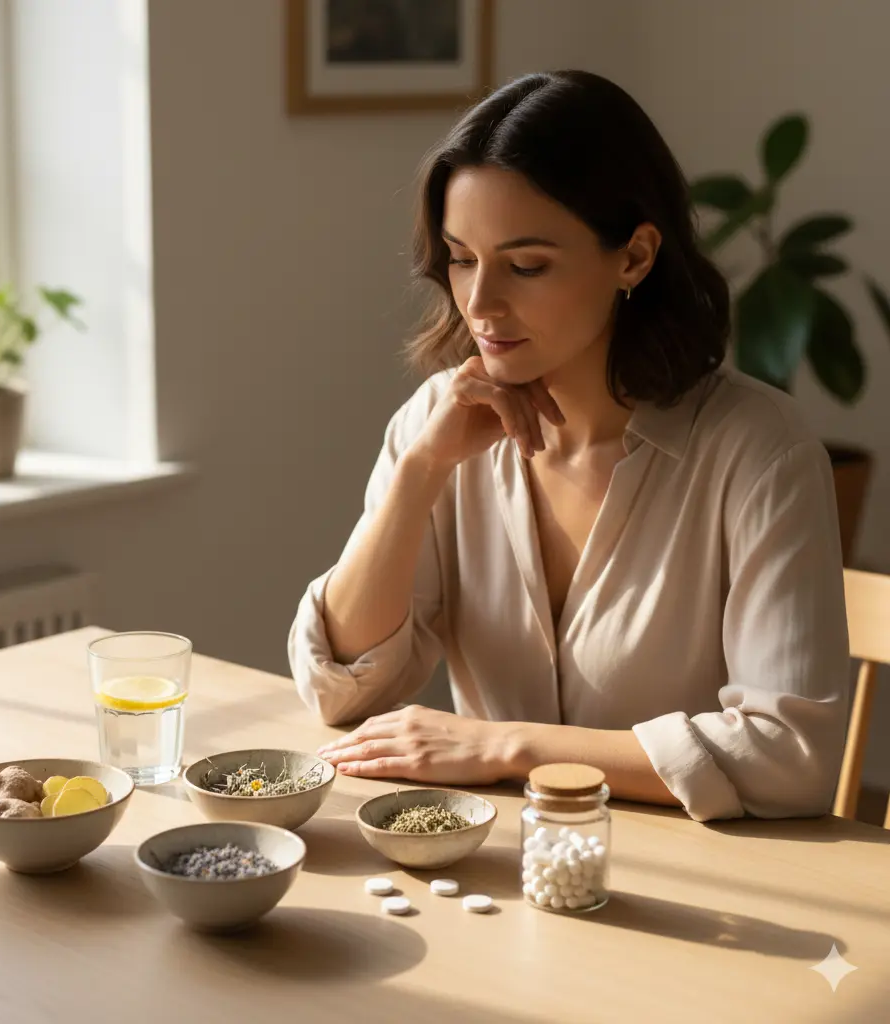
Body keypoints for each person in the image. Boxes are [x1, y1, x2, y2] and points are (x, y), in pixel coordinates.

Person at [287, 70, 849, 822]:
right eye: (460, 258)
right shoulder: (437, 422)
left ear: (635, 257)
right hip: (496, 874)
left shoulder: (759, 454)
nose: (480, 304)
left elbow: (789, 757)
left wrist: (505, 748)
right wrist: (421, 470)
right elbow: (342, 688)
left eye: (525, 266)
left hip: (697, 894)